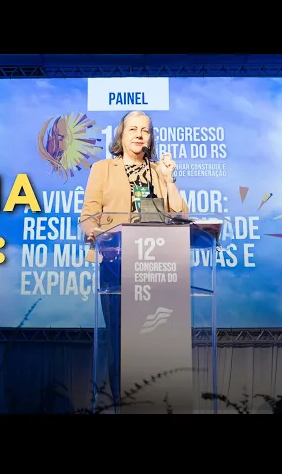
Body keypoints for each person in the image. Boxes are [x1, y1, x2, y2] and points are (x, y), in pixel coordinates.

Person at [79, 110, 189, 408]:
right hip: (115, 261)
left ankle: (156, 403)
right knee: (119, 339)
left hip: (157, 264)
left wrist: (169, 179)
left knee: (153, 338)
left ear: (151, 138)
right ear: (121, 135)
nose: (139, 135)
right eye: (133, 129)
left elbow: (180, 214)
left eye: (145, 130)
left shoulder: (158, 172)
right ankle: (122, 404)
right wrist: (95, 233)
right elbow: (89, 215)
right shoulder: (103, 169)